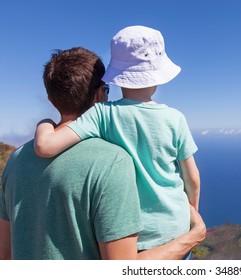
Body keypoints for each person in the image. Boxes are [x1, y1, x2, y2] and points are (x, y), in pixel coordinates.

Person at [0, 47, 205, 260]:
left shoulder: (16, 160)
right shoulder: (112, 161)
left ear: (51, 97)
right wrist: (193, 236)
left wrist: (44, 123)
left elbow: (4, 255)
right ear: (100, 94)